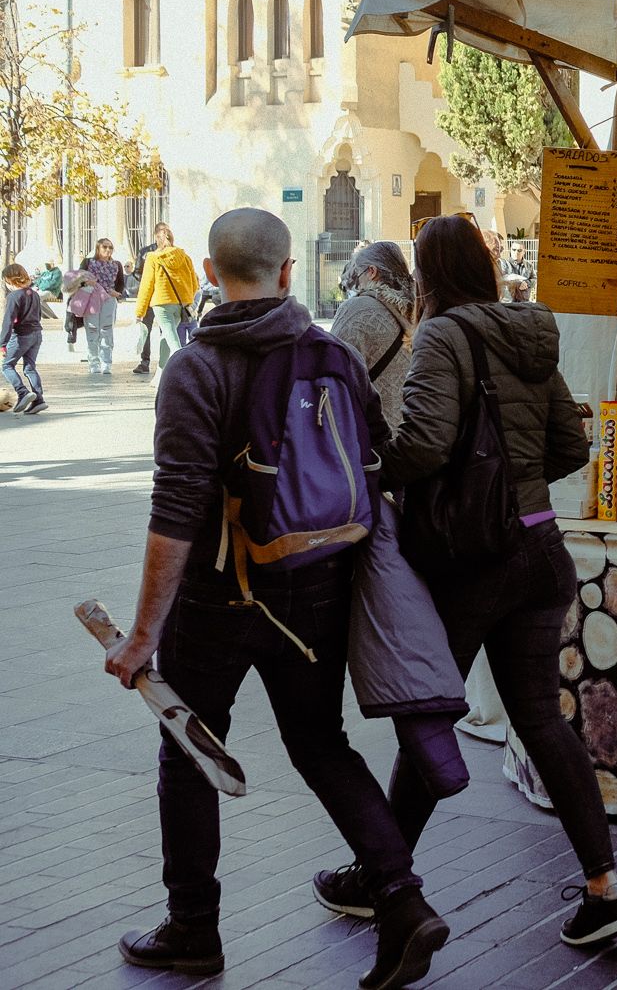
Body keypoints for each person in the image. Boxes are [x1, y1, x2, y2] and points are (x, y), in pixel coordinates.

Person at [102, 209, 447, 987]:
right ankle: (401, 898)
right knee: (323, 743)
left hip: (218, 601)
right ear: (289, 271)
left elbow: (177, 507)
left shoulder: (195, 369)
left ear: (213, 275)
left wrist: (141, 635)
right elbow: (370, 460)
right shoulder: (335, 356)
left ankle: (194, 927)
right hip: (317, 590)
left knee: (190, 748)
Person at [311, 216, 617, 948]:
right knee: (542, 720)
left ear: (428, 275)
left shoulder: (443, 334)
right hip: (540, 550)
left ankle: (381, 876)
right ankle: (605, 886)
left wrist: (369, 471)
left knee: (427, 716)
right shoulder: (529, 334)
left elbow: (422, 445)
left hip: (473, 567)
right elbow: (570, 443)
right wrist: (513, 490)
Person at [330, 242, 414, 427]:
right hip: (414, 430)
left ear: (372, 272)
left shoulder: (356, 309)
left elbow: (332, 369)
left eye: (358, 276)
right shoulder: (420, 309)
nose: (357, 285)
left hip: (374, 432)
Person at [133, 222, 199, 375]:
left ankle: (183, 370)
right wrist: (187, 299)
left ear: (157, 239)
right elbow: (195, 283)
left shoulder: (153, 257)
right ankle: (160, 377)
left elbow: (147, 285)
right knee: (167, 336)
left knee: (172, 340)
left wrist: (140, 311)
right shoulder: (184, 256)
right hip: (181, 304)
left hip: (161, 303)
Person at [73, 238, 128, 374]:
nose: (108, 250)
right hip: (91, 299)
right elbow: (78, 280)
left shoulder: (116, 265)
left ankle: (106, 362)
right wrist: (86, 283)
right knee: (92, 330)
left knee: (106, 330)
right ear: (98, 248)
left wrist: (117, 293)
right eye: (104, 247)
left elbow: (120, 283)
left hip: (108, 300)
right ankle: (94, 362)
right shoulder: (88, 263)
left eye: (110, 247)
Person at [2, 263, 48, 415]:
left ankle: (22, 392)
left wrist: (2, 344)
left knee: (7, 366)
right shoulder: (33, 293)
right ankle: (38, 400)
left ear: (9, 280)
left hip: (22, 335)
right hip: (36, 334)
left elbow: (8, 321)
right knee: (29, 367)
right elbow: (39, 314)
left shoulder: (14, 296)